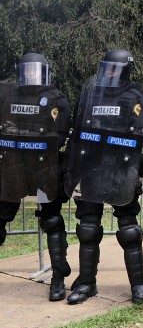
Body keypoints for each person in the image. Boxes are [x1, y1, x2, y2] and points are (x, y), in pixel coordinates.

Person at [64, 49, 143, 305]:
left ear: (125, 69)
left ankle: (139, 284)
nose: (108, 72)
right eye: (106, 67)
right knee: (88, 229)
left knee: (129, 231)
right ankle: (86, 283)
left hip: (121, 171)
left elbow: (139, 137)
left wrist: (102, 134)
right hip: (91, 167)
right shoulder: (91, 93)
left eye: (113, 68)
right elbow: (79, 130)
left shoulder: (137, 97)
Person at [0, 53, 72, 301]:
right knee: (0, 214)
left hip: (44, 169)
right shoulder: (8, 95)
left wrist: (22, 133)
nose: (31, 74)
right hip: (13, 167)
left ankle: (58, 278)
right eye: (26, 70)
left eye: (35, 70)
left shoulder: (56, 100)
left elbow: (59, 138)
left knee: (52, 220)